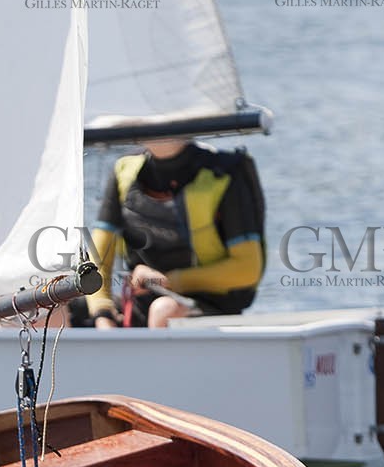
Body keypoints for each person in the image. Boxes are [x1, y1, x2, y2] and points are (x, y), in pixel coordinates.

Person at [74, 137, 266, 329]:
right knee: (58, 307)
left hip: (206, 308)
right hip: (139, 305)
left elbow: (247, 270)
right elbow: (98, 260)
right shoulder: (124, 169)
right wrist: (103, 314)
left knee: (163, 309)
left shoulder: (224, 173)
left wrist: (168, 281)